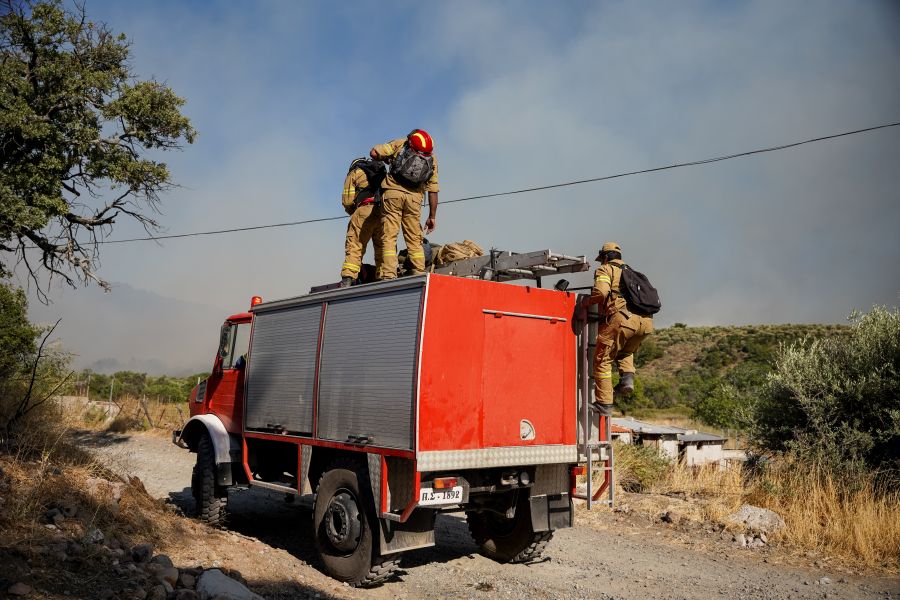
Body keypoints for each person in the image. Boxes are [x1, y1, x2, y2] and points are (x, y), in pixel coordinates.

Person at [582, 242, 654, 415]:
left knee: (602, 359)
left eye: (602, 260)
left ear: (605, 257)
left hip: (623, 320)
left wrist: (585, 303)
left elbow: (600, 293)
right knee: (624, 351)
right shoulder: (632, 272)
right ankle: (627, 380)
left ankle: (604, 404)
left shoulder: (605, 270)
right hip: (645, 323)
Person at [369, 130, 439, 280]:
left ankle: (389, 274)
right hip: (414, 201)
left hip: (393, 195)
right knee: (414, 239)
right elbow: (433, 189)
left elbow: (374, 153)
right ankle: (419, 272)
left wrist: (388, 158)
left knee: (389, 236)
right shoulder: (431, 158)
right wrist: (432, 216)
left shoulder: (401, 144)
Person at [339, 158, 387, 288]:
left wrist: (355, 213)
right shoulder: (382, 172)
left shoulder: (355, 172)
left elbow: (347, 201)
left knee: (355, 244)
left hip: (364, 209)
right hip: (383, 212)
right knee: (383, 247)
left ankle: (348, 278)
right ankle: (384, 277)